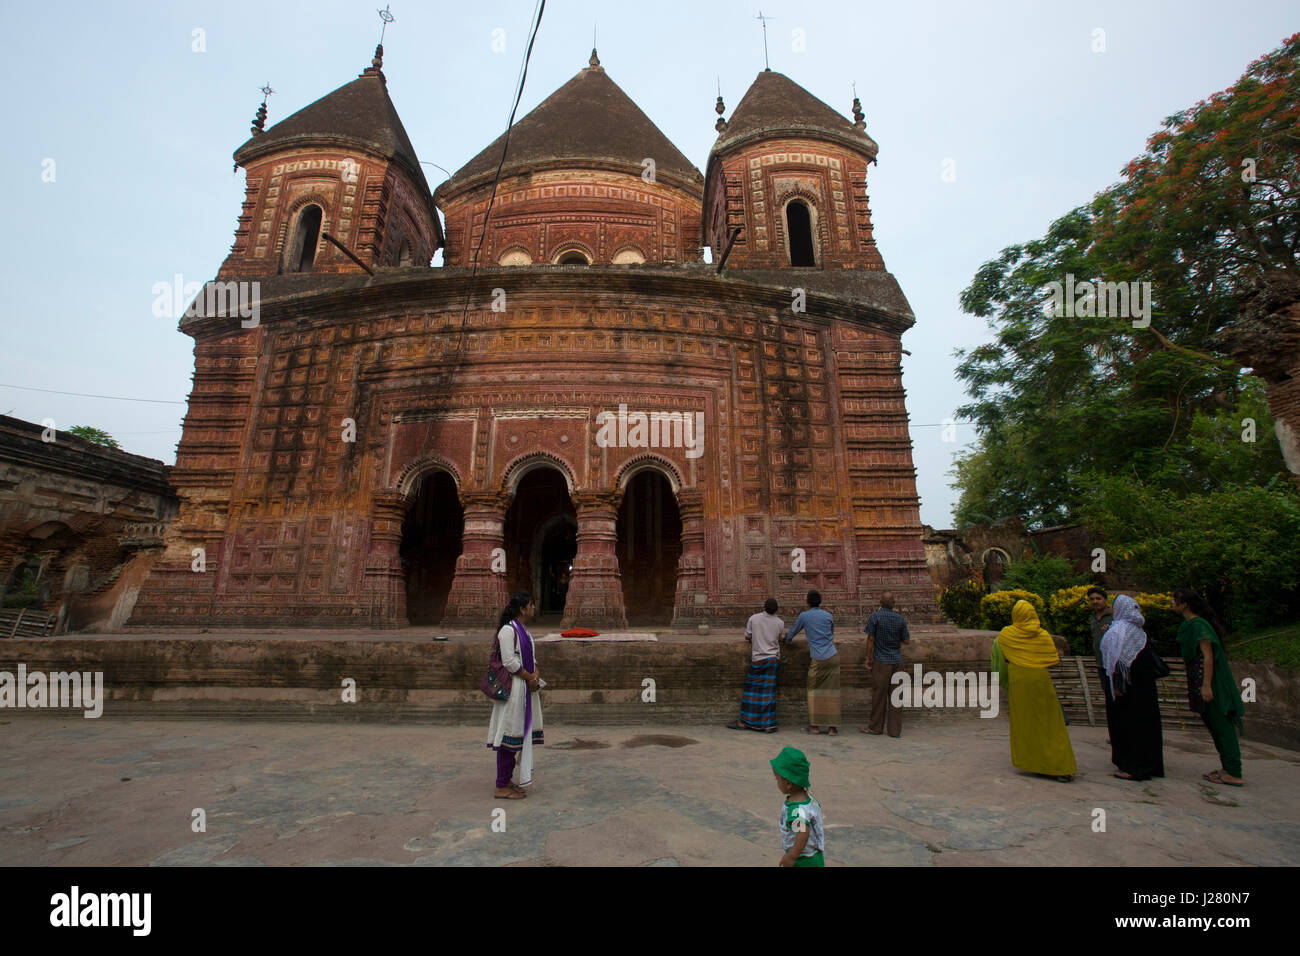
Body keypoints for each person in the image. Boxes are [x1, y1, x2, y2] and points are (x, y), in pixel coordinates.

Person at [990, 600, 1077, 782]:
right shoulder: (1043, 635)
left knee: (1026, 723)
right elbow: (1053, 660)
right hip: (1041, 680)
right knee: (1051, 723)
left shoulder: (1006, 635)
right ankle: (1061, 766)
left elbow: (999, 662)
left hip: (1019, 681)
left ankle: (1036, 763)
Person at [1172, 588, 1245, 787]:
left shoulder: (1198, 625)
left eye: (1175, 599)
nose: (1172, 602)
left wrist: (1206, 685)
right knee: (1213, 724)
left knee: (1221, 725)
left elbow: (1208, 657)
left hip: (1210, 681)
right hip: (1198, 678)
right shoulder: (1190, 625)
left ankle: (1234, 771)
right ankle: (1227, 768)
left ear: (1185, 603)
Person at [1099, 594, 1165, 781]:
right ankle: (1151, 765)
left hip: (1125, 691)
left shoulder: (1118, 631)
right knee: (1146, 725)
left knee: (1128, 726)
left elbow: (1117, 662)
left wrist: (1117, 686)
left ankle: (1133, 767)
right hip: (1145, 689)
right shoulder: (1139, 632)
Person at [486, 591, 544, 799]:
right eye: (531, 605)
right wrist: (529, 677)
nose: (534, 609)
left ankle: (507, 780)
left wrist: (535, 675)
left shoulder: (525, 632)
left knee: (517, 734)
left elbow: (533, 658)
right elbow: (509, 661)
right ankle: (501, 785)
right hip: (514, 689)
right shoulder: (507, 631)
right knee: (509, 735)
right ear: (522, 608)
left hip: (525, 688)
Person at [784, 590, 839, 735]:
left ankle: (814, 725)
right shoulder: (828, 615)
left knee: (814, 691)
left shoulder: (805, 616)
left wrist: (787, 640)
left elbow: (793, 632)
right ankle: (832, 727)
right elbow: (832, 633)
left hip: (818, 658)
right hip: (832, 655)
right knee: (832, 691)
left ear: (807, 602)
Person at [728, 598, 784, 733]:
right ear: (776, 609)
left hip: (758, 659)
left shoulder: (754, 618)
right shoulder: (780, 623)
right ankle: (768, 724)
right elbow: (779, 637)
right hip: (772, 660)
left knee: (751, 692)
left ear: (764, 607)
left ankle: (744, 722)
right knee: (768, 694)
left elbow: (747, 636)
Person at [862, 591, 910, 737]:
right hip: (897, 661)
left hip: (881, 661)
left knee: (879, 696)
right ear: (894, 604)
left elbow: (870, 639)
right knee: (896, 697)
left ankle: (876, 727)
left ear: (880, 603)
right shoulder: (900, 619)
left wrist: (868, 658)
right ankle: (894, 731)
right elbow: (907, 640)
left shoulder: (875, 617)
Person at [771, 746, 825, 867]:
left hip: (803, 860)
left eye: (777, 779)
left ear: (788, 783)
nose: (777, 783)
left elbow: (802, 832)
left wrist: (791, 856)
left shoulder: (796, 810)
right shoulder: (808, 797)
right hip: (814, 856)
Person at [1087, 585, 1115, 740]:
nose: (1095, 602)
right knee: (1109, 699)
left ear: (1105, 600)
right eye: (1092, 599)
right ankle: (1114, 733)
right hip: (1101, 664)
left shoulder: (1114, 617)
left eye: (1098, 599)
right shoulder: (1093, 618)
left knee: (1117, 699)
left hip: (1115, 665)